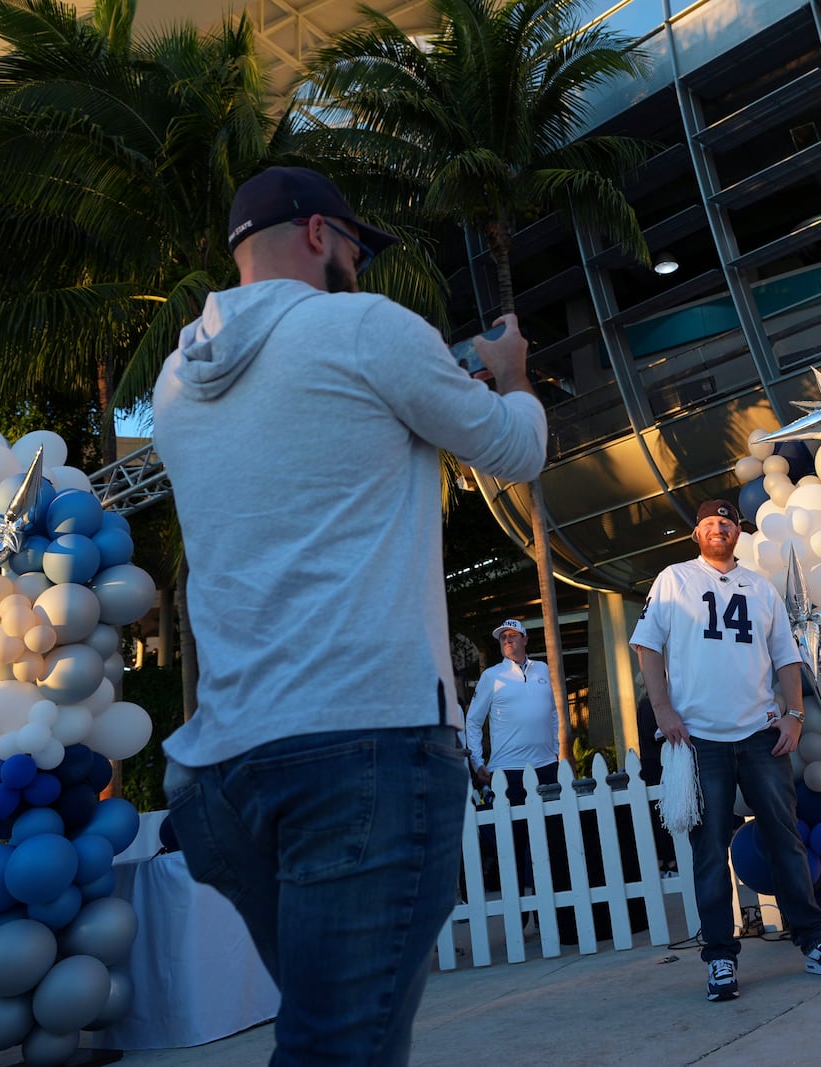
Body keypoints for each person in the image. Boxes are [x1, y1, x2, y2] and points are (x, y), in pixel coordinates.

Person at [153, 165, 547, 1064]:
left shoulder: (179, 382)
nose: (363, 267)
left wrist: (444, 368)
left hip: (224, 770)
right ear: (322, 235)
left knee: (335, 1030)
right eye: (359, 247)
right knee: (344, 1047)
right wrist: (512, 375)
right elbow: (516, 450)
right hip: (365, 747)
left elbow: (313, 418)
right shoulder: (367, 329)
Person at [630, 499, 821, 1001]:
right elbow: (648, 646)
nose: (720, 529)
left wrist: (794, 714)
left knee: (785, 840)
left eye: (728, 523)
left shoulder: (760, 586)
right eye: (710, 522)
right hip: (698, 736)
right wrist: (662, 709)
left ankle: (814, 940)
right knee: (709, 850)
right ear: (697, 532)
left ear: (737, 532)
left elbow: (786, 655)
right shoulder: (674, 578)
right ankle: (719, 958)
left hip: (758, 732)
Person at [467, 617, 562, 891]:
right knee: (514, 846)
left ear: (525, 640)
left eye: (512, 635)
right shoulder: (491, 677)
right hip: (508, 772)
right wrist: (477, 761)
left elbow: (553, 714)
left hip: (546, 767)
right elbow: (473, 721)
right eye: (502, 638)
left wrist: (554, 751)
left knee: (550, 839)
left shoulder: (542, 669)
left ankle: (553, 912)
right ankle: (520, 919)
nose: (507, 640)